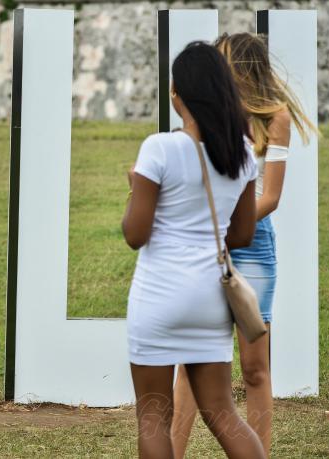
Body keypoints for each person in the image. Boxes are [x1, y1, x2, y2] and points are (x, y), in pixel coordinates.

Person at [171, 33, 319, 458]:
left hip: (252, 248)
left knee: (255, 369)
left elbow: (270, 198)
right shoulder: (209, 113)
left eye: (222, 63)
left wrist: (226, 225)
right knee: (190, 363)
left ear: (241, 67)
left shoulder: (277, 118)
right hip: (206, 243)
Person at [122, 41, 265, 458]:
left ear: (176, 93)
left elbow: (136, 234)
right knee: (224, 415)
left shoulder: (160, 148)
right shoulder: (240, 152)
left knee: (153, 418)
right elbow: (241, 236)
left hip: (160, 295)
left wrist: (136, 190)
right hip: (210, 296)